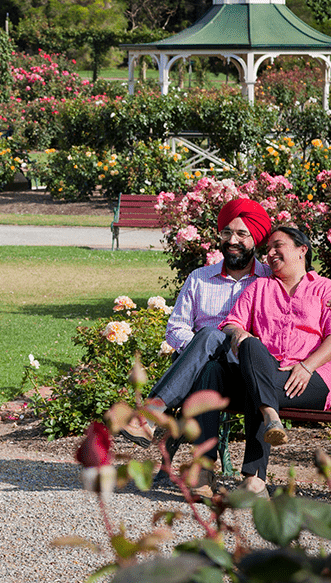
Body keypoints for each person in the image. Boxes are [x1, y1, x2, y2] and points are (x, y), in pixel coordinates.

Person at [118, 198, 274, 466]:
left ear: (256, 239)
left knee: (212, 335)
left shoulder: (270, 280)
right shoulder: (200, 278)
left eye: (241, 233)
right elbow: (176, 327)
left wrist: (207, 343)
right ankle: (203, 471)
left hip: (248, 375)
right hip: (205, 373)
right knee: (209, 361)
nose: (232, 240)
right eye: (226, 232)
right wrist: (201, 352)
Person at [218, 226, 331, 497]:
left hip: (314, 377)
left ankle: (254, 478)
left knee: (256, 387)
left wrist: (306, 366)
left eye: (278, 245)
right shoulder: (260, 287)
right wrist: (237, 332)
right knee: (250, 344)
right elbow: (232, 322)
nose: (271, 253)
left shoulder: (327, 289)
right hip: (270, 373)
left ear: (302, 249)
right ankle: (270, 418)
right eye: (267, 249)